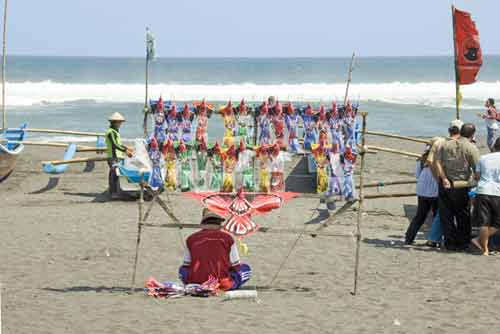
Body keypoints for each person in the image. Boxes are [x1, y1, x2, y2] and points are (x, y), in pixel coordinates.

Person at [178, 209, 252, 290]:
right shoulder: (228, 238)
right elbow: (236, 266)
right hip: (222, 283)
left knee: (182, 270)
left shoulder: (191, 239)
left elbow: (186, 265)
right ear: (219, 223)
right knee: (245, 268)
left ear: (203, 222)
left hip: (196, 283)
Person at [435, 121, 480, 251]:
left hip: (445, 183)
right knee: (462, 215)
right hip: (461, 184)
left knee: (446, 214)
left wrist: (443, 178)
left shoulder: (445, 144)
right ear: (472, 135)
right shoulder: (471, 148)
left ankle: (450, 242)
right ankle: (462, 243)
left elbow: (437, 162)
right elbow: (477, 169)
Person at [404, 144, 439, 244]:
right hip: (434, 191)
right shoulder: (439, 159)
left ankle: (409, 238)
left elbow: (418, 175)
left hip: (422, 190)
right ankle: (434, 240)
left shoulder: (421, 160)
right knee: (437, 217)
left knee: (420, 216)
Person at [471, 137, 500, 255]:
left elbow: (477, 176)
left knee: (484, 222)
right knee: (497, 223)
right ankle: (479, 241)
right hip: (498, 192)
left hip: (483, 190)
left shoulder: (483, 158)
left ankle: (485, 250)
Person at [105, 112, 132, 199]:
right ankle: (113, 193)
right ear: (114, 122)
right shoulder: (111, 132)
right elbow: (115, 145)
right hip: (113, 157)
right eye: (119, 122)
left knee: (116, 174)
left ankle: (114, 191)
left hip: (117, 156)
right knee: (114, 174)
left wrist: (126, 148)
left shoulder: (115, 132)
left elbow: (119, 144)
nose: (120, 124)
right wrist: (125, 150)